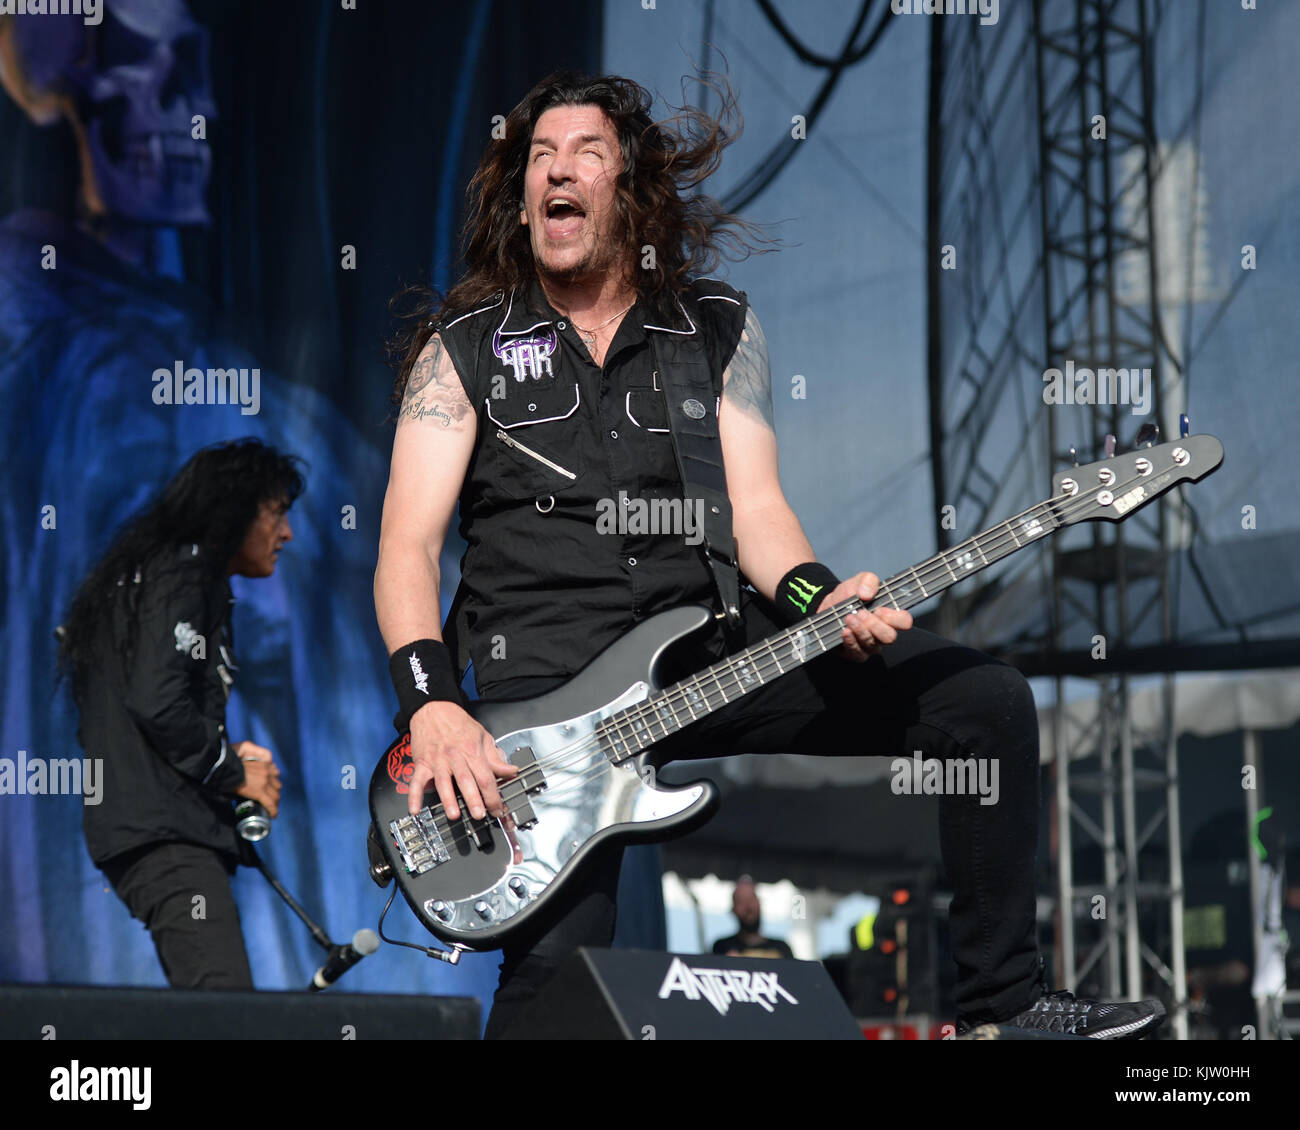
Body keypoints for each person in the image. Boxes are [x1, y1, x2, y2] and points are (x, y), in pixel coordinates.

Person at [374, 71, 1166, 1040]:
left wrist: (820, 597)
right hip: (533, 688)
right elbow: (405, 544)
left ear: (630, 188)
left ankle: (1002, 1007)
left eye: (583, 152)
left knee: (981, 700)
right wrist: (434, 705)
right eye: (540, 156)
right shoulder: (463, 347)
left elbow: (756, 513)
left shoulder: (715, 330)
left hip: (696, 646)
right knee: (555, 978)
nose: (556, 171)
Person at [59, 439, 300, 989]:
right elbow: (156, 700)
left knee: (214, 1007)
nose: (286, 534)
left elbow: (142, 703)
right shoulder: (184, 570)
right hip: (162, 837)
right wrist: (236, 773)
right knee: (224, 1012)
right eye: (278, 513)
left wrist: (223, 752)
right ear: (234, 506)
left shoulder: (163, 572)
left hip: (152, 830)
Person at [711, 877, 794, 960]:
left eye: (751, 900)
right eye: (741, 902)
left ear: (759, 904)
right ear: (733, 910)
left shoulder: (781, 947)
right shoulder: (722, 947)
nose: (748, 907)